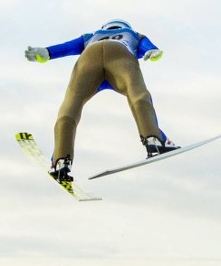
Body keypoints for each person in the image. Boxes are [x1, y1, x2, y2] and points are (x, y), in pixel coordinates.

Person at [24, 19, 178, 181]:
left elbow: (67, 47)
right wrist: (152, 51)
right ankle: (153, 138)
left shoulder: (91, 36)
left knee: (71, 105)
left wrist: (46, 52)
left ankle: (61, 160)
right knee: (138, 94)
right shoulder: (134, 35)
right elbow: (149, 48)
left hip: (89, 58)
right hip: (120, 55)